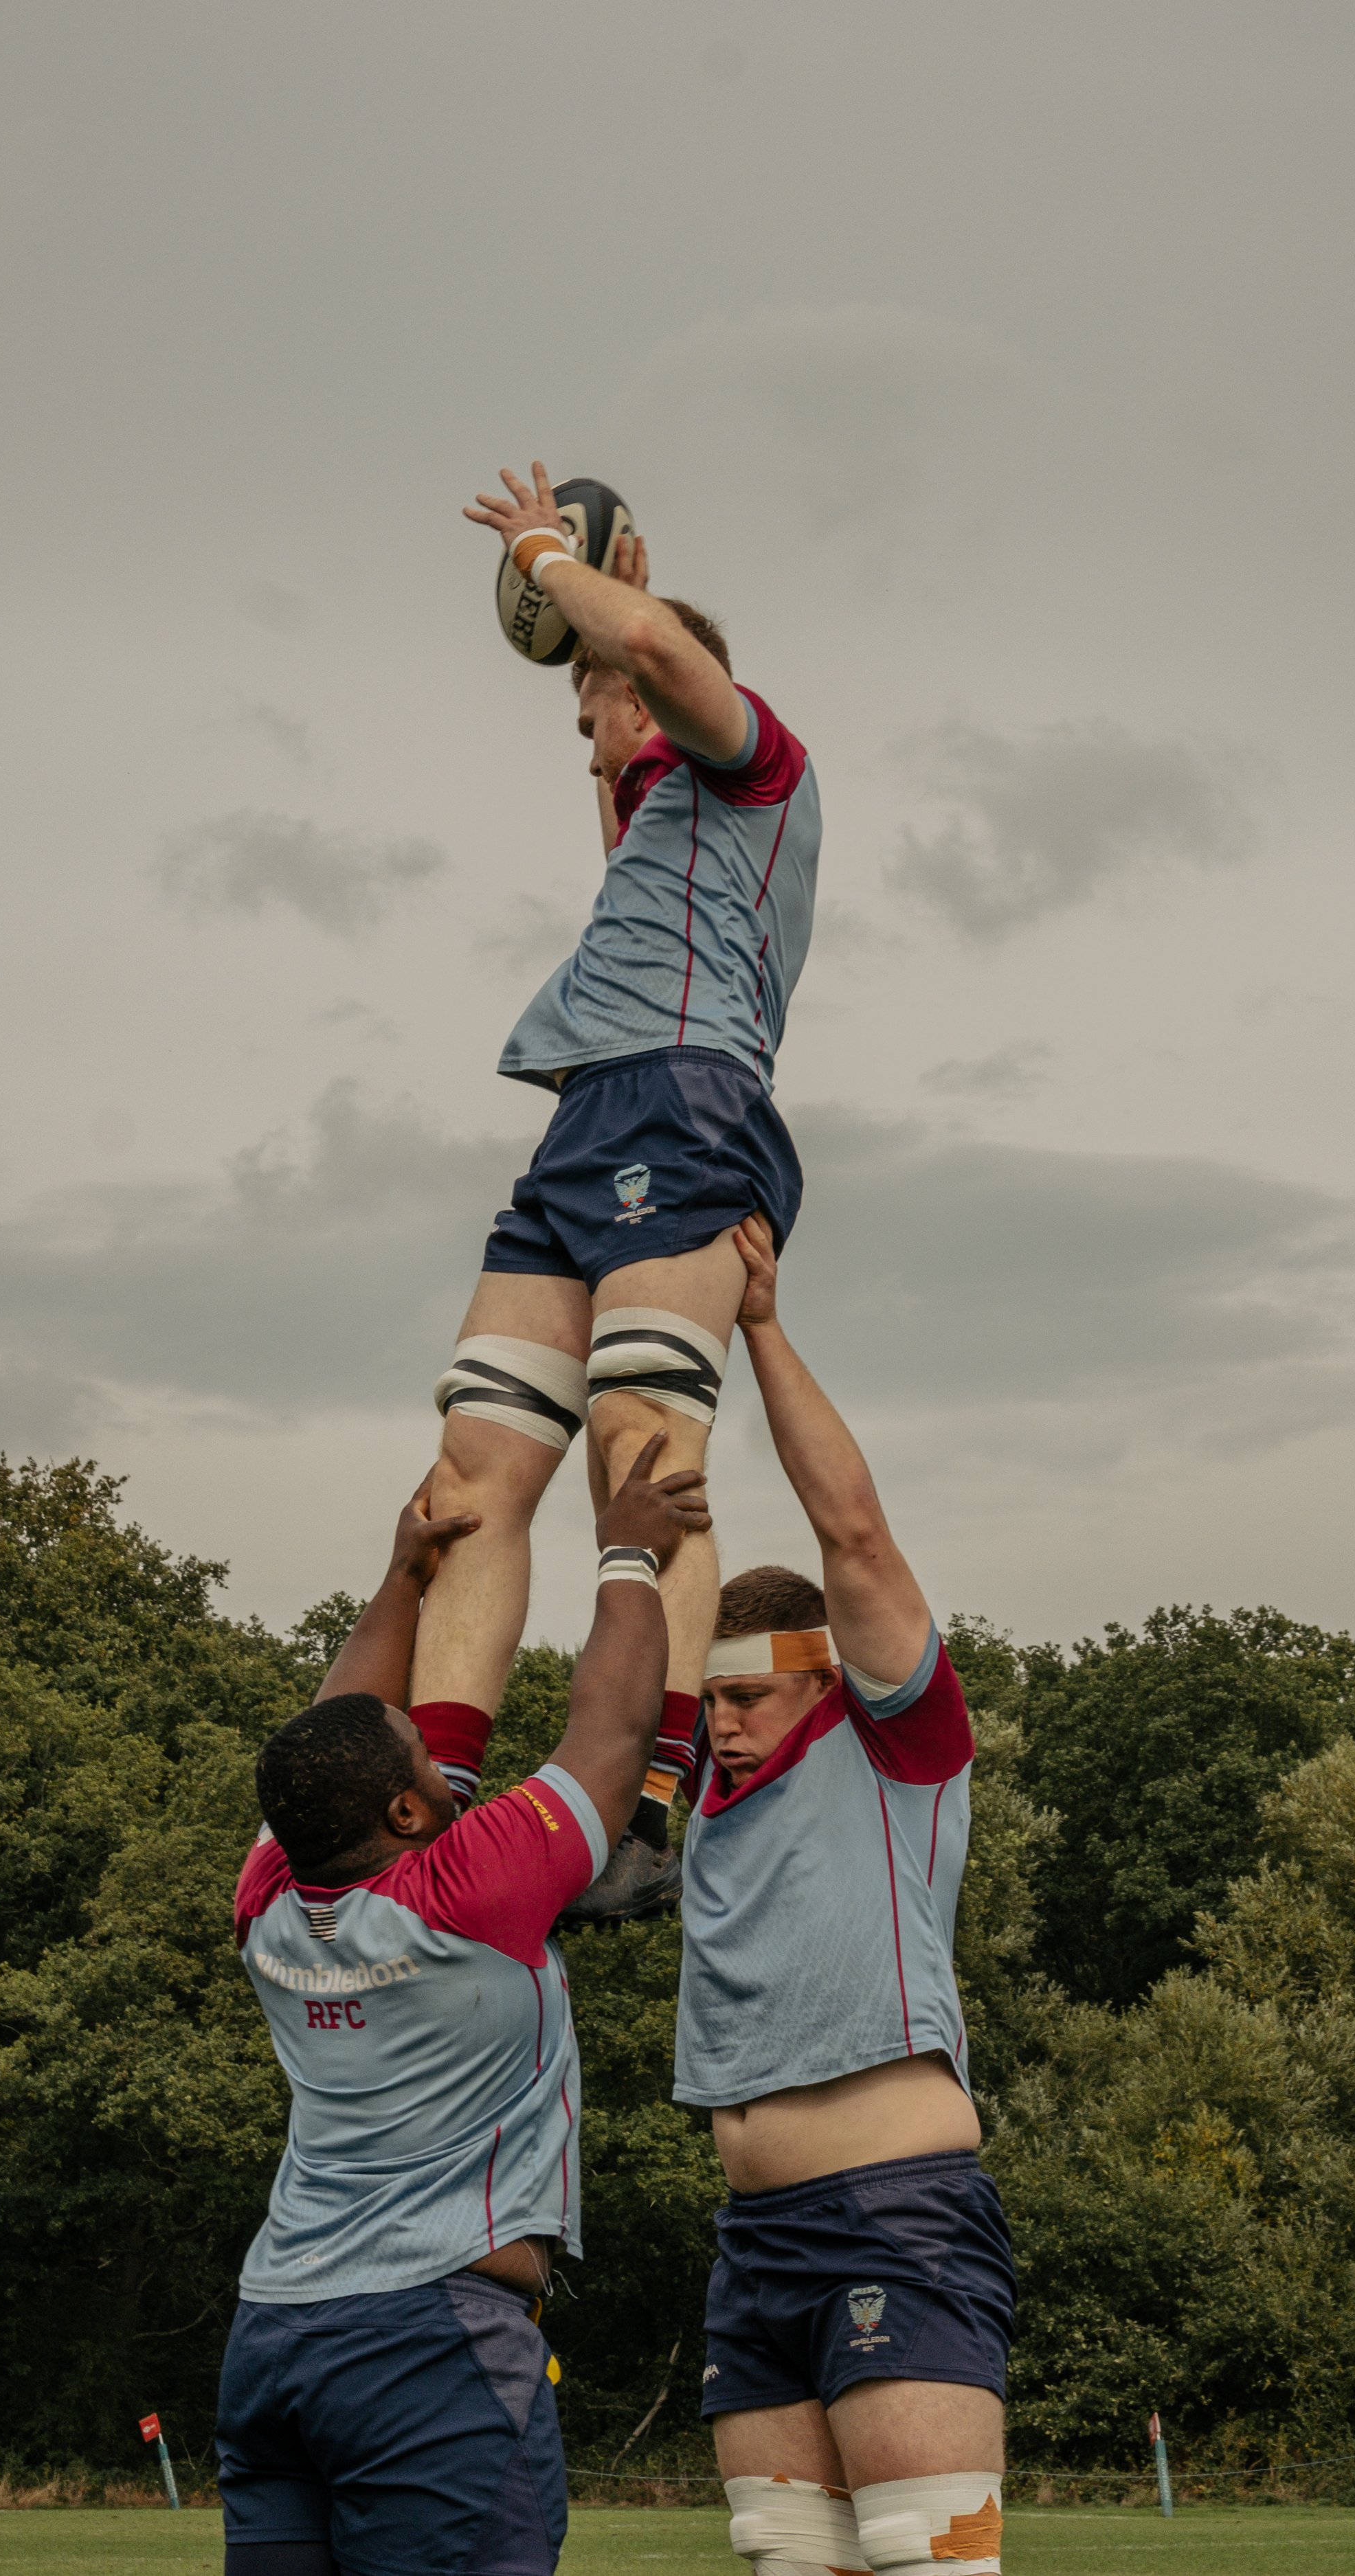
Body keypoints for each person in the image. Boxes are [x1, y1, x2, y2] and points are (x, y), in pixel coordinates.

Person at [410, 460, 823, 1919]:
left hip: (685, 1105)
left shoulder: (757, 762)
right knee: (469, 1482)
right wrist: (609, 628)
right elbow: (628, 704)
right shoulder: (662, 821)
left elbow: (651, 656)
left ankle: (649, 1806)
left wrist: (552, 563)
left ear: (654, 691)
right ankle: (432, 1800)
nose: (583, 730)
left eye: (592, 704)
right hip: (588, 1122)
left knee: (641, 1455)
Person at [216, 1435, 710, 2576]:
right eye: (429, 1769)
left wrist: (401, 1580)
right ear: (400, 1812)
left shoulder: (270, 1903)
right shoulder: (465, 1890)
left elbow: (329, 1728)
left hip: (277, 2334)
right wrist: (629, 1554)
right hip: (425, 2345)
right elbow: (612, 1736)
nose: (452, 1771)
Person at [675, 1217, 1013, 2576]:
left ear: (820, 1678)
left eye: (748, 1695)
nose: (725, 1724)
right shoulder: (703, 1785)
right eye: (711, 1701)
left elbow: (852, 1535)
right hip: (752, 2241)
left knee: (928, 2564)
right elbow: (657, 1594)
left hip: (894, 2210)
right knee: (786, 2567)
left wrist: (754, 1325)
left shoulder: (894, 1745)